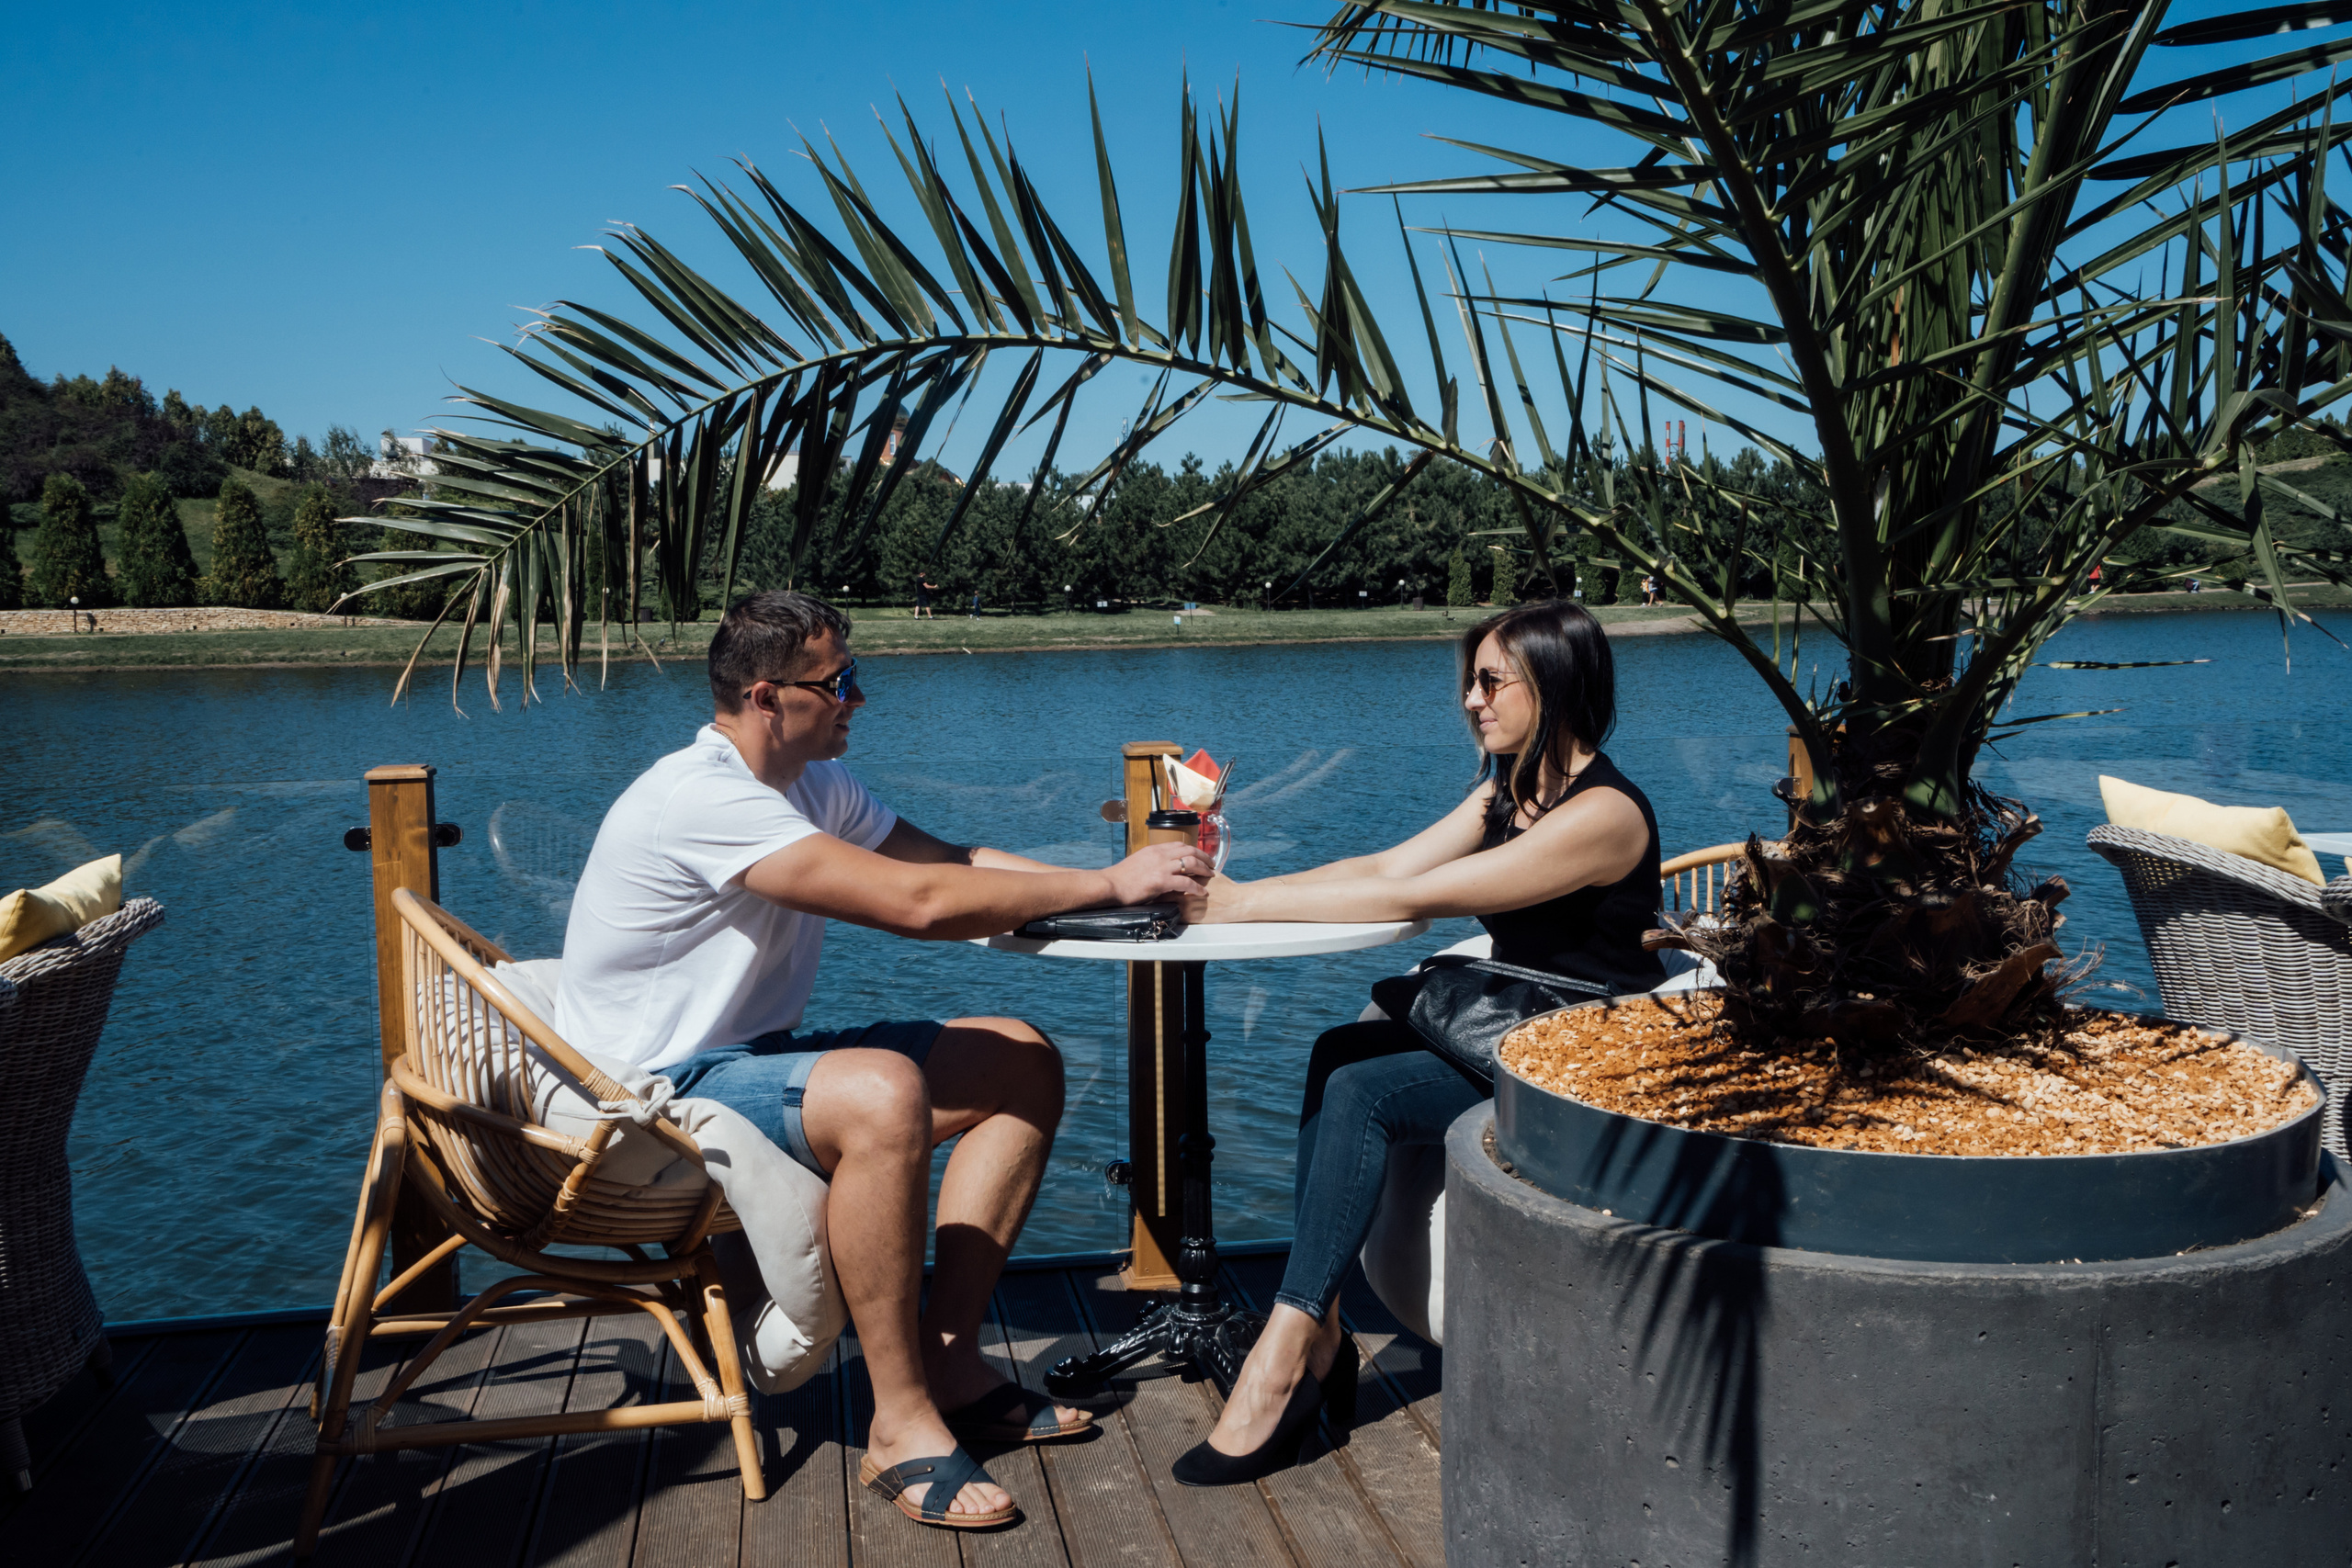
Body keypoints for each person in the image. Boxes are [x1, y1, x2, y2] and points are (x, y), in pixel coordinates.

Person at [554, 591, 1210, 1529]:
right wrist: (1108, 879)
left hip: (746, 1058)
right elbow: (916, 905)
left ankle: (948, 1363)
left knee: (1021, 1060)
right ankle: (898, 1423)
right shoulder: (701, 798)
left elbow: (947, 862)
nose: (859, 698)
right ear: (768, 697)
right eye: (840, 681)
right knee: (882, 1091)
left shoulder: (811, 784)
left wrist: (1115, 895)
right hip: (650, 1092)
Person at [1172, 598, 1663, 1486]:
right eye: (1470, 681)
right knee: (1338, 1050)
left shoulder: (1605, 813)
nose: (1471, 700)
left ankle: (1283, 1355)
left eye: (1491, 681)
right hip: (1520, 1029)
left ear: (1553, 681)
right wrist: (1236, 892)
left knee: (1362, 1090)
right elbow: (1384, 868)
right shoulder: (1507, 792)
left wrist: (1242, 905)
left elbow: (1419, 898)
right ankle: (1321, 1331)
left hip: (1581, 1058)